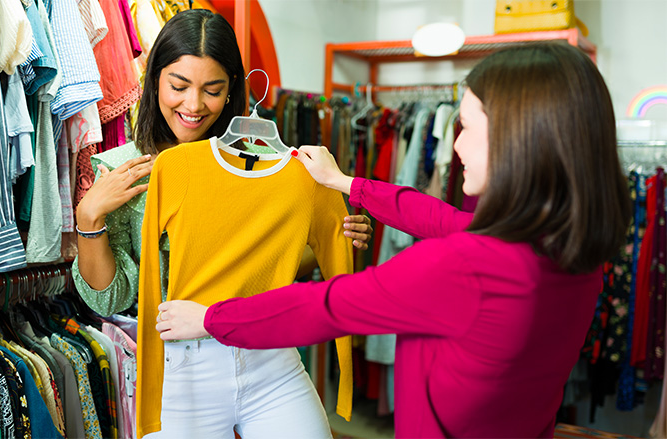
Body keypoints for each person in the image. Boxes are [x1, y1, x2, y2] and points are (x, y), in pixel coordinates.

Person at [155, 42, 633, 438]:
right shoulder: (568, 250)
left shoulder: (465, 268)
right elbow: (438, 215)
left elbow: (325, 306)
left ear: (521, 138)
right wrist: (348, 184)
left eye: (469, 127)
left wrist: (212, 318)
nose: (456, 145)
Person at [71, 8, 372, 439]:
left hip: (270, 353)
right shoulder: (124, 173)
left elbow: (273, 264)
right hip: (182, 369)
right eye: (178, 86)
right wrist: (89, 217)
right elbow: (111, 300)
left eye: (212, 90)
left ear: (232, 90)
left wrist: (333, 239)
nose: (193, 106)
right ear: (154, 79)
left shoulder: (262, 165)